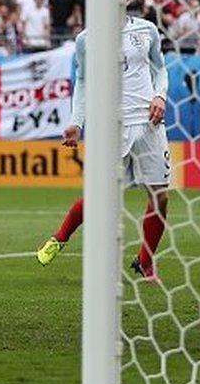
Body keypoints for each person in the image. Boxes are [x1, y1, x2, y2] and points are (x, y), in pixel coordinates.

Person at [36, 15, 170, 284]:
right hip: (112, 126)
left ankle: (145, 262)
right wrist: (76, 122)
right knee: (101, 197)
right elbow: (83, 82)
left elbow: (160, 69)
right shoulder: (87, 39)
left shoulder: (147, 30)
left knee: (161, 197)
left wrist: (160, 95)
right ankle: (59, 237)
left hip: (149, 124)